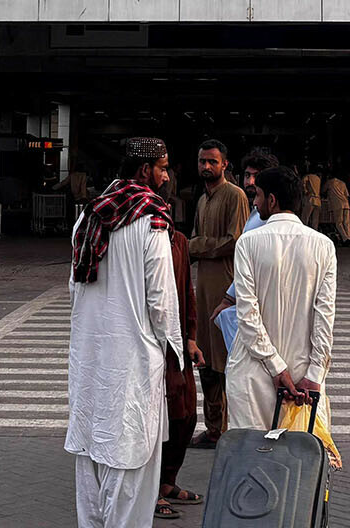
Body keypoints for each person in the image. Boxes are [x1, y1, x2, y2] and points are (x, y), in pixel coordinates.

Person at [66, 137, 183, 528]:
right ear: (144, 170)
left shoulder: (89, 217)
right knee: (131, 459)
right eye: (162, 168)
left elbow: (75, 289)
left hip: (90, 357)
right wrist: (174, 353)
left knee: (92, 454)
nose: (166, 177)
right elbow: (162, 302)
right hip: (134, 361)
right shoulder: (152, 220)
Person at [228, 167, 336, 435]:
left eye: (258, 195)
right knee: (298, 457)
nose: (255, 202)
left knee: (252, 454)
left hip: (253, 371)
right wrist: (314, 375)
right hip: (302, 374)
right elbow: (324, 317)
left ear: (272, 200)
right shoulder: (323, 246)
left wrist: (276, 367)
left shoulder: (247, 243)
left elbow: (247, 314)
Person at [187, 139, 249, 449]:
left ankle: (233, 430)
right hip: (204, 290)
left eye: (213, 161)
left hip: (226, 289)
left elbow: (234, 241)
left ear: (225, 164)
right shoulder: (202, 199)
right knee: (208, 363)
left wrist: (194, 246)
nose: (206, 166)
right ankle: (214, 429)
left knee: (228, 365)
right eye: (202, 161)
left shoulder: (235, 195)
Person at [157, 183, 205, 520]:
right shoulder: (143, 243)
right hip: (150, 343)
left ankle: (168, 481)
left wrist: (191, 337)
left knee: (186, 413)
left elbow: (187, 290)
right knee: (160, 418)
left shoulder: (178, 242)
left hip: (177, 343)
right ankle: (152, 489)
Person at [319, 169, 350, 244]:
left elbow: (322, 190)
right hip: (346, 204)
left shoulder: (330, 182)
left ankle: (345, 238)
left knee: (338, 223)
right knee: (346, 223)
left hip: (337, 204)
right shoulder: (342, 183)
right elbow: (346, 194)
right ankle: (348, 237)